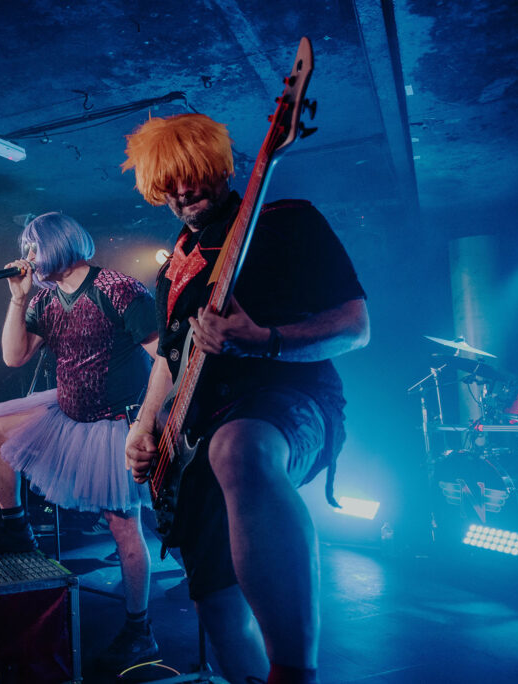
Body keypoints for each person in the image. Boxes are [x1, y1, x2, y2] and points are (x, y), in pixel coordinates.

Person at [122, 113, 370, 684]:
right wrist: (144, 425)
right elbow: (168, 360)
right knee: (214, 601)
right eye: (168, 181)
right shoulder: (174, 266)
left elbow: (356, 327)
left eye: (192, 172)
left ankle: (295, 673)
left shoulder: (287, 221)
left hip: (291, 400)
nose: (182, 189)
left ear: (222, 166)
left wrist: (266, 340)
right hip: (196, 434)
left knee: (239, 448)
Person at [0, 211, 160, 671]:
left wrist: (147, 422)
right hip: (67, 412)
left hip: (115, 422)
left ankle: (140, 630)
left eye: (33, 247)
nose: (27, 256)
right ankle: (16, 528)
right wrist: (18, 299)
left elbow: (165, 358)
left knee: (123, 525)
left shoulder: (118, 288)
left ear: (56, 244)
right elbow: (13, 357)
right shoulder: (45, 300)